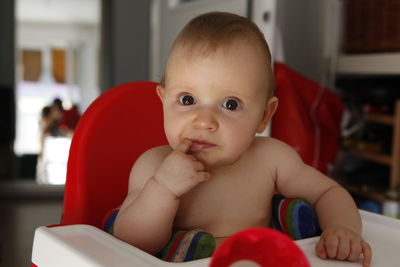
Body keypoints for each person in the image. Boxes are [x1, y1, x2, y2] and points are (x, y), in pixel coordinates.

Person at [114, 12, 372, 266]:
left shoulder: (272, 159)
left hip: (255, 260)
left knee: (298, 218)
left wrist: (341, 228)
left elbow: (329, 192)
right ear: (163, 102)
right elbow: (131, 242)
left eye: (230, 104)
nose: (204, 121)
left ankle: (289, 218)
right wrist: (163, 188)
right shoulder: (153, 166)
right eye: (187, 100)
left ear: (264, 115)